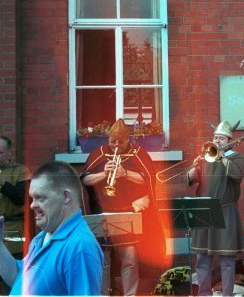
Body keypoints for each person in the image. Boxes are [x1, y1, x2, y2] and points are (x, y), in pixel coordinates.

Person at [81, 118, 166, 296]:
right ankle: (103, 293)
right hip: (102, 213)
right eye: (113, 141)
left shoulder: (138, 153)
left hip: (128, 213)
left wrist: (124, 173)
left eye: (121, 141)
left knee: (130, 259)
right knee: (103, 259)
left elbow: (148, 179)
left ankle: (130, 295)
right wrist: (104, 173)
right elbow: (84, 179)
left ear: (128, 139)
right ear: (108, 139)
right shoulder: (100, 152)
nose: (116, 145)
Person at [0, 161, 103, 295]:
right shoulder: (42, 236)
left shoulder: (79, 246)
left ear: (66, 196)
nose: (32, 205)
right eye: (32, 198)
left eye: (40, 198)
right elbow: (20, 279)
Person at [184, 120, 244, 296]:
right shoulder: (205, 157)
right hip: (204, 211)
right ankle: (204, 294)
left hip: (226, 212)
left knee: (227, 260)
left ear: (229, 141)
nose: (217, 141)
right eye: (215, 137)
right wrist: (195, 167)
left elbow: (237, 175)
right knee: (202, 259)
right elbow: (189, 180)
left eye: (221, 138)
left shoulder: (236, 157)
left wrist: (223, 157)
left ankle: (226, 294)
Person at [0, 136, 29, 259]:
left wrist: (3, 183)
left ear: (8, 153)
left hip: (13, 229)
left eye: (0, 152)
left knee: (14, 271)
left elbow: (22, 198)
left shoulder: (21, 171)